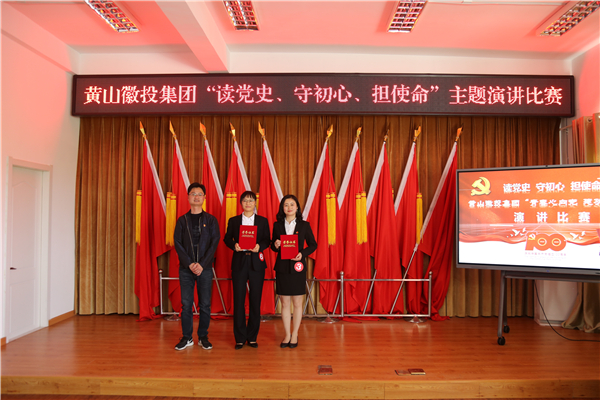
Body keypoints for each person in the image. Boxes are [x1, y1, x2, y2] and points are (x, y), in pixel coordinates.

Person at [173, 183, 220, 351]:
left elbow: (214, 243)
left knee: (205, 304)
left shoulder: (211, 220)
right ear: (188, 197)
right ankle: (187, 337)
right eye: (193, 194)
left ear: (204, 198)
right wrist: (190, 264)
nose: (196, 197)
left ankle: (203, 336)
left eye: (200, 194)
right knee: (186, 304)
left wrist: (201, 264)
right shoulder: (182, 220)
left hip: (204, 269)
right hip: (186, 269)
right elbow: (177, 243)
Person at [223, 191, 271, 350]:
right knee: (238, 300)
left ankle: (252, 337)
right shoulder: (234, 221)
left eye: (251, 200)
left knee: (255, 300)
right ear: (241, 203)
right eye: (245, 200)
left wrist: (259, 246)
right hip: (239, 262)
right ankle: (239, 337)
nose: (248, 203)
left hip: (257, 263)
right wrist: (234, 245)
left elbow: (267, 240)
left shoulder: (262, 221)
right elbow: (227, 239)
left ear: (255, 203)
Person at [271, 194, 317, 349]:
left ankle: (295, 333)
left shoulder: (304, 225)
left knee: (297, 303)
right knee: (284, 303)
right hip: (282, 268)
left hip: (298, 268)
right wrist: (276, 244)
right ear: (282, 208)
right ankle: (287, 334)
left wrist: (302, 254)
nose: (289, 207)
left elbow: (313, 244)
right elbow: (272, 246)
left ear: (297, 207)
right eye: (286, 205)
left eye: (292, 204)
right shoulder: (277, 225)